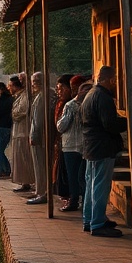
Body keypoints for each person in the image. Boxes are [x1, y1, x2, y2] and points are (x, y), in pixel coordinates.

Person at [81, 66, 127, 237]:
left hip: (91, 146)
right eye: (115, 80)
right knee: (100, 186)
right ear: (110, 79)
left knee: (91, 185)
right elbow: (110, 124)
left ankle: (89, 219)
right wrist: (127, 122)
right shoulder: (102, 97)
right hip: (102, 147)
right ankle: (98, 223)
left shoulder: (90, 94)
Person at [55, 76, 90, 212]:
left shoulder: (70, 105)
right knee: (83, 177)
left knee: (73, 177)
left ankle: (74, 201)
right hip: (85, 145)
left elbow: (61, 126)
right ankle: (84, 201)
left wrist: (59, 121)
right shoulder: (88, 104)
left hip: (70, 146)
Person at [8, 74, 35, 192]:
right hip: (19, 132)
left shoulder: (25, 96)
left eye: (10, 86)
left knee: (24, 159)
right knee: (20, 160)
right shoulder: (20, 96)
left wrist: (13, 113)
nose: (9, 88)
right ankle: (24, 182)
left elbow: (20, 112)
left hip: (23, 132)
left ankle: (27, 182)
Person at [26, 71, 49, 205]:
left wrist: (34, 136)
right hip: (39, 136)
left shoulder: (42, 96)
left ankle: (42, 192)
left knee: (41, 166)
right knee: (40, 166)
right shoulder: (41, 95)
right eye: (33, 81)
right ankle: (40, 191)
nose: (35, 84)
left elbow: (38, 121)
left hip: (40, 138)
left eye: (37, 81)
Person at [52, 74, 72, 203]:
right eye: (58, 89)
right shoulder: (60, 103)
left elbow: (61, 125)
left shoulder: (70, 104)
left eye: (61, 89)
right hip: (59, 141)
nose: (59, 92)